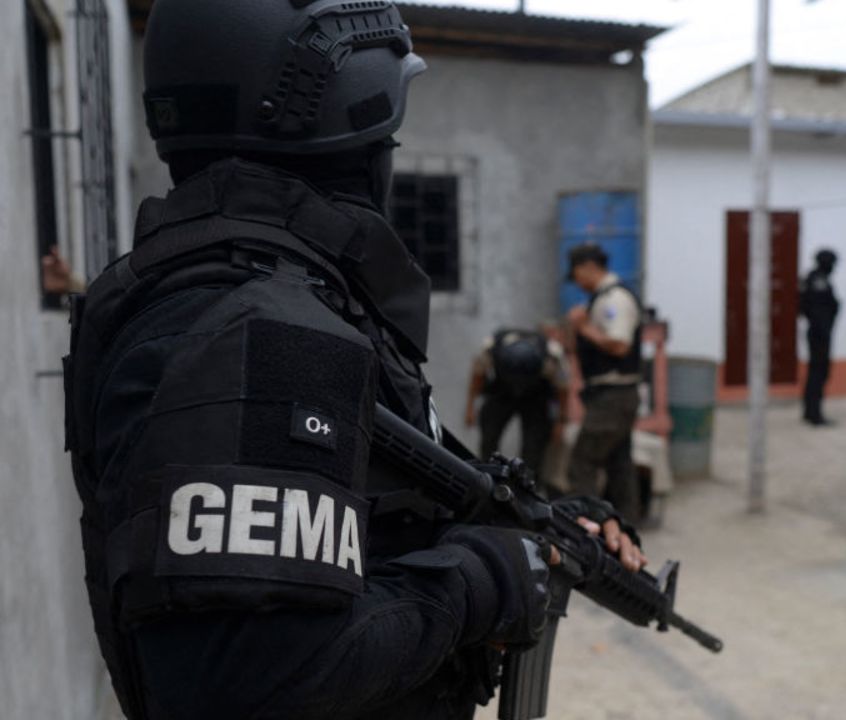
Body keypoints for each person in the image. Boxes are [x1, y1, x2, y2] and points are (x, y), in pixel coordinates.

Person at [62, 2, 643, 719]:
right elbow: (241, 677)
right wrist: (484, 579)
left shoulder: (252, 293)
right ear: (350, 133)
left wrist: (538, 523)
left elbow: (371, 511)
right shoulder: (262, 327)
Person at [565, 243, 643, 522]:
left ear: (588, 268)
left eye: (576, 275)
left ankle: (585, 529)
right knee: (619, 464)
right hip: (611, 394)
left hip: (613, 395)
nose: (577, 283)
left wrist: (584, 327)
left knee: (582, 463)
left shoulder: (614, 300)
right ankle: (625, 528)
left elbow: (620, 345)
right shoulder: (601, 298)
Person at [465, 325, 569, 487]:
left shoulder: (551, 357)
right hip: (502, 391)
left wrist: (560, 421)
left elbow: (563, 389)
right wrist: (470, 407)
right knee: (489, 434)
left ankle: (529, 485)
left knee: (535, 445)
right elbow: (478, 376)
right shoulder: (491, 349)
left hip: (536, 396)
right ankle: (486, 478)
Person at [799, 248, 841, 426]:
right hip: (819, 333)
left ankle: (811, 411)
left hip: (819, 332)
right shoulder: (818, 280)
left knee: (816, 373)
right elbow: (817, 310)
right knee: (818, 373)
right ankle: (814, 414)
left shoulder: (815, 279)